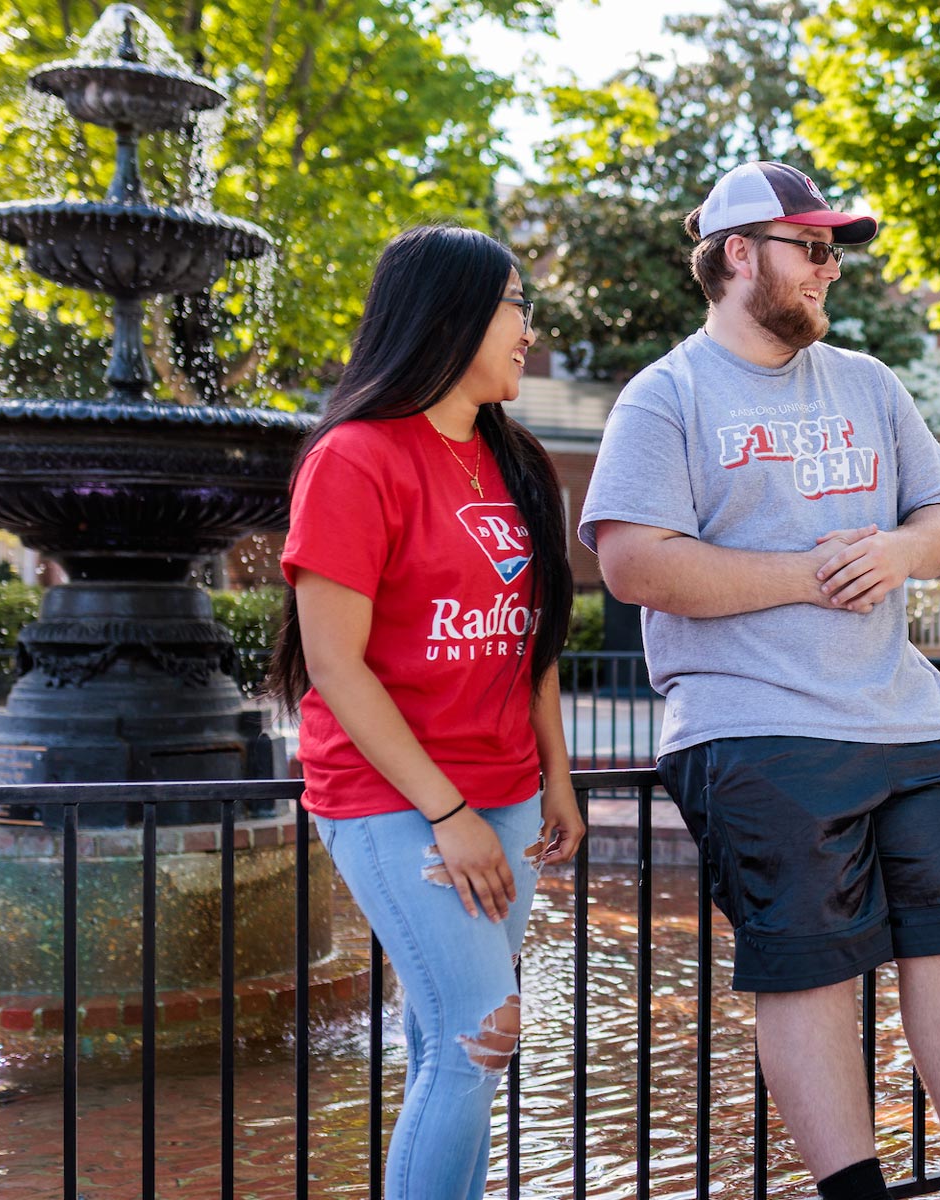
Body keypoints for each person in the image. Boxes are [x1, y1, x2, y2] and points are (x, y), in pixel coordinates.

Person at [581, 162, 940, 1200]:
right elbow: (633, 562)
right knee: (812, 967)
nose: (832, 270)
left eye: (836, 251)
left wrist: (900, 554)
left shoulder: (870, 382)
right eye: (813, 248)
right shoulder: (668, 395)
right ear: (741, 254)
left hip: (909, 722)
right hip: (756, 726)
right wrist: (807, 575)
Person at [267, 225, 585, 1200]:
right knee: (483, 1035)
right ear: (450, 316)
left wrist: (557, 779)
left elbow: (530, 639)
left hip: (510, 799)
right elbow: (335, 664)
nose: (528, 330)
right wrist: (447, 816)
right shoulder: (355, 460)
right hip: (391, 798)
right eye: (515, 306)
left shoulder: (517, 459)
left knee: (453, 1043)